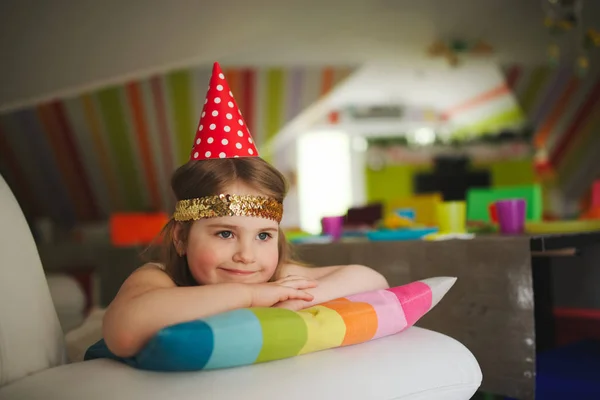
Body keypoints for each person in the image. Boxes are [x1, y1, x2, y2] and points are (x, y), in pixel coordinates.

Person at [102, 62, 389, 358]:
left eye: (264, 236)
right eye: (225, 233)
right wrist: (250, 297)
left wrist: (296, 299)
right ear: (181, 237)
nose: (247, 255)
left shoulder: (273, 278)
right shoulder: (159, 278)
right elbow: (124, 332)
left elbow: (371, 279)